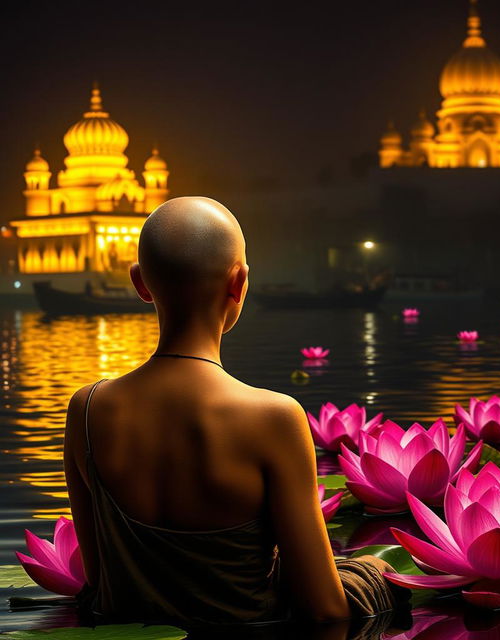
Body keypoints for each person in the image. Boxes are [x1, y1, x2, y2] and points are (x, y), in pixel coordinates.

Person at [63, 196, 407, 630]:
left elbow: (99, 584)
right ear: (239, 283)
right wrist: (373, 573)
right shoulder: (274, 417)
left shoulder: (87, 410)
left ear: (140, 283)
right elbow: (325, 610)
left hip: (130, 632)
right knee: (375, 567)